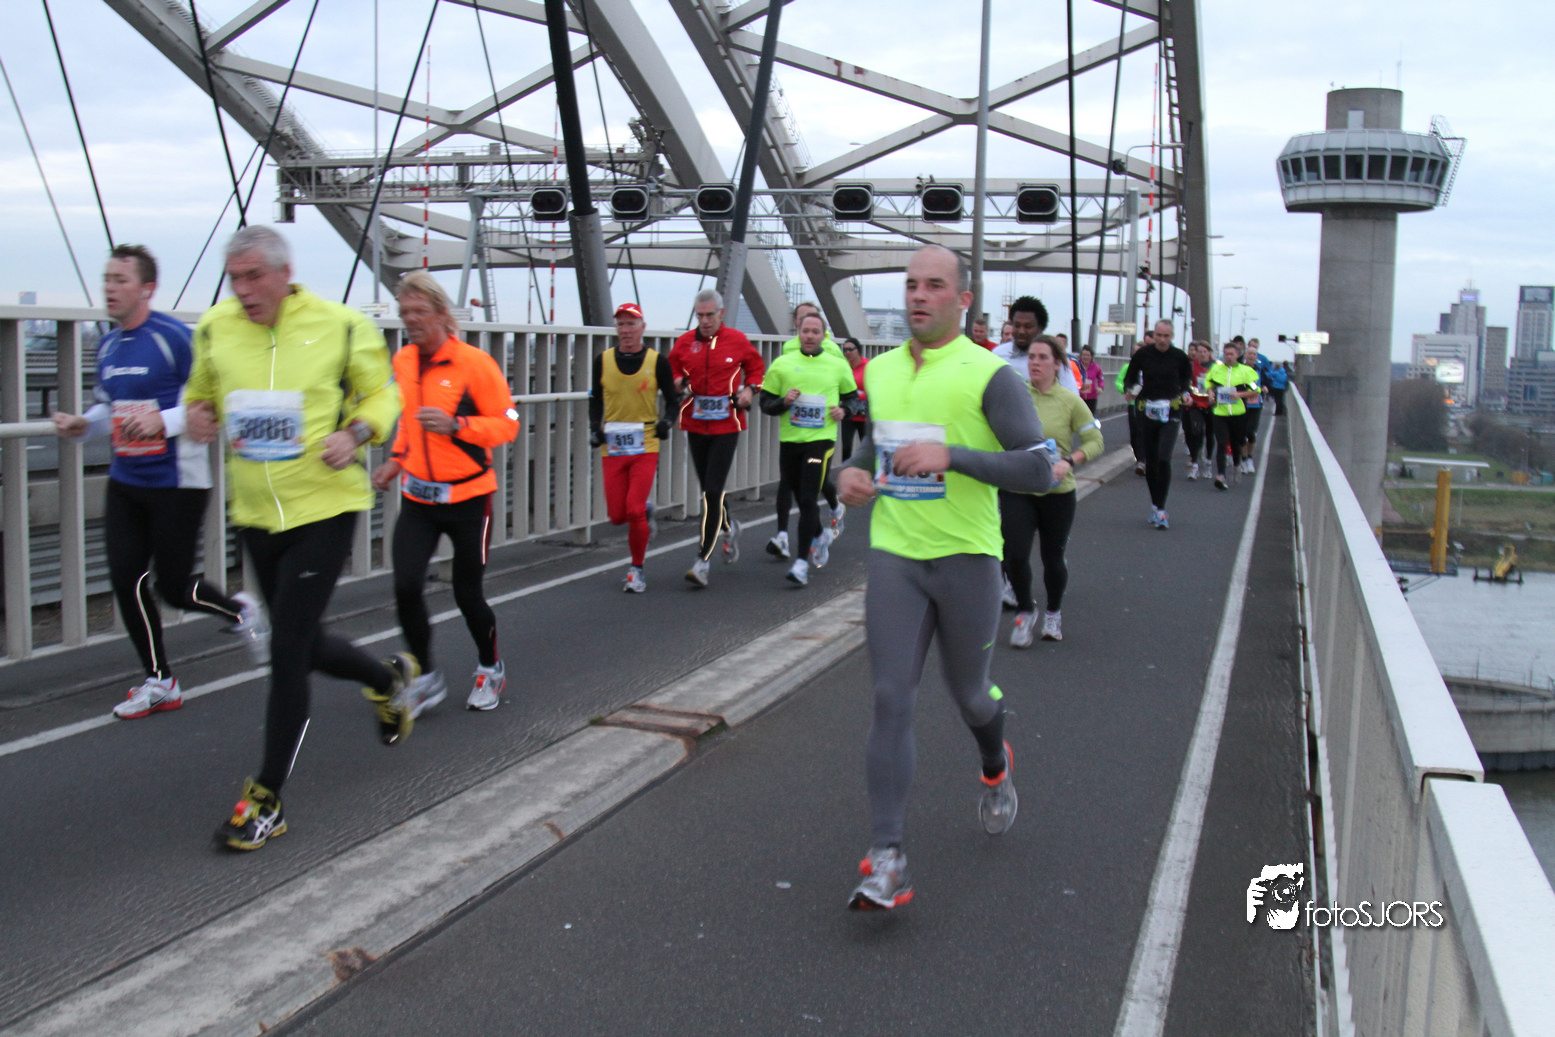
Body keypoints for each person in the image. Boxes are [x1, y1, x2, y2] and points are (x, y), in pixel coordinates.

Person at [836, 244, 1055, 910]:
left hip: (966, 559)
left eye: (934, 285)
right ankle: (888, 857)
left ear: (962, 300)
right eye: (911, 285)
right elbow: (869, 447)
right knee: (889, 697)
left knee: (971, 696)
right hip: (896, 556)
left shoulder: (989, 375)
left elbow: (1037, 468)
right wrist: (846, 475)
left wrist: (952, 456)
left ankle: (995, 762)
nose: (918, 296)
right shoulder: (878, 371)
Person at [186, 226, 413, 851]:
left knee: (287, 648)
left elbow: (384, 393)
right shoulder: (215, 328)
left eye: (253, 276)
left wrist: (356, 432)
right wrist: (199, 414)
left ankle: (266, 799)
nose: (242, 289)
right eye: (234, 278)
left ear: (285, 275)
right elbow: (201, 395)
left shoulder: (340, 325)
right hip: (256, 513)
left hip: (324, 505)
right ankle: (387, 680)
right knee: (303, 638)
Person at [51, 244, 264, 719]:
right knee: (126, 578)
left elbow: (208, 401)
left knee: (173, 588)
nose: (110, 288)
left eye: (120, 280)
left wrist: (161, 422)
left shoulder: (175, 338)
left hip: (177, 482)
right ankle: (160, 680)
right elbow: (109, 406)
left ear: (147, 288)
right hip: (126, 479)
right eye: (107, 279)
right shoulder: (108, 345)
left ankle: (240, 610)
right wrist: (83, 425)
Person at [371, 272, 519, 716]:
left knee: (467, 593)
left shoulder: (475, 364)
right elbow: (409, 423)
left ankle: (490, 666)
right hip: (419, 498)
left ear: (441, 313)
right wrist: (396, 461)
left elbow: (508, 423)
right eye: (404, 312)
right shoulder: (404, 361)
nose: (411, 320)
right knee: (405, 585)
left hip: (470, 499)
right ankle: (427, 679)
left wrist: (458, 426)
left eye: (419, 311)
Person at [1001, 335, 1102, 646]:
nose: (1035, 363)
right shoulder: (1017, 396)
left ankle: (1053, 613)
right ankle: (1024, 610)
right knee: (1013, 555)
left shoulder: (1070, 401)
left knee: (1052, 558)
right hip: (1018, 487)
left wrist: (1068, 461)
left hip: (1057, 492)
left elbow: (1095, 442)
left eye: (1042, 357)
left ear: (1057, 364)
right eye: (1031, 357)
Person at [669, 288, 765, 587]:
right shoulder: (685, 343)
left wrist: (750, 389)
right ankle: (729, 526)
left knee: (712, 492)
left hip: (727, 424)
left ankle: (702, 561)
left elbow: (757, 369)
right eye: (700, 315)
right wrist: (677, 381)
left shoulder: (736, 340)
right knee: (710, 490)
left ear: (721, 314)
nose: (705, 321)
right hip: (695, 423)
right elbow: (671, 370)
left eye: (710, 315)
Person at [758, 311, 858, 586]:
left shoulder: (837, 365)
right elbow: (765, 403)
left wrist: (844, 410)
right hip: (791, 440)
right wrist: (784, 403)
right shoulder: (782, 364)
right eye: (806, 331)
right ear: (798, 333)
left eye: (816, 332)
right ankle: (820, 535)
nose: (810, 336)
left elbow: (854, 399)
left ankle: (801, 563)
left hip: (821, 440)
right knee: (798, 495)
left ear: (824, 335)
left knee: (807, 496)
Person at [587, 302, 678, 593]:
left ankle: (636, 570)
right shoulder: (602, 360)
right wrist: (594, 427)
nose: (626, 330)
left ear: (642, 328)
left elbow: (673, 401)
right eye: (621, 324)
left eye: (631, 324)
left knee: (634, 509)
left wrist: (667, 422)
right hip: (613, 445)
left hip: (645, 443)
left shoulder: (657, 361)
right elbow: (595, 399)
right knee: (617, 516)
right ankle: (647, 511)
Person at [1122, 318, 1192, 529]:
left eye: (1166, 336)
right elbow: (1130, 378)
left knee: (1163, 458)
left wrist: (1186, 394)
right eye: (1159, 335)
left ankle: (1161, 510)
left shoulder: (1179, 357)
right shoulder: (1143, 355)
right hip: (1147, 410)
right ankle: (1155, 505)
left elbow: (1186, 381)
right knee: (1151, 461)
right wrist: (1130, 390)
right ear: (1154, 335)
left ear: (1172, 336)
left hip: (1171, 410)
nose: (1162, 340)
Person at [1204, 340, 1261, 490]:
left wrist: (1240, 394)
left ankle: (1237, 465)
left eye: (1231, 354)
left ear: (1237, 355)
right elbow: (1208, 382)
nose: (1228, 357)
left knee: (1236, 443)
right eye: (1226, 354)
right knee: (1221, 442)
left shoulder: (1246, 371)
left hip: (1238, 413)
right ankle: (1220, 475)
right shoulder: (1216, 369)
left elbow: (1256, 390)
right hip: (1220, 412)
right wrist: (1210, 393)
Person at [994, 297, 1080, 392]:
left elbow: (1071, 394)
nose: (1021, 331)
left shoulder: (1054, 357)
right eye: (1017, 326)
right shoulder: (999, 354)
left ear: (1040, 328)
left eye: (1028, 326)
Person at [1117, 330, 1152, 476]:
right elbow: (1120, 382)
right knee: (1135, 434)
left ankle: (1144, 461)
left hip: (1149, 404)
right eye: (1135, 352)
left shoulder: (1150, 366)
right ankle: (1139, 458)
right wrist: (1126, 390)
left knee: (1146, 433)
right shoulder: (1129, 367)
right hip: (1133, 403)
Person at [1182, 340, 1214, 480]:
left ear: (1209, 353)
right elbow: (1186, 383)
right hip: (1195, 403)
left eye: (1204, 352)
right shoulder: (1191, 366)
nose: (1201, 354)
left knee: (1210, 434)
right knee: (1196, 431)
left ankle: (1208, 461)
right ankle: (1194, 464)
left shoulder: (1216, 366)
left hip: (1211, 404)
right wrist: (1187, 394)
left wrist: (1214, 393)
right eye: (1199, 351)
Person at [1240, 338, 1273, 473]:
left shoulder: (1260, 369)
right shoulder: (1239, 369)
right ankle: (1243, 459)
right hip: (1241, 404)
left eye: (1254, 354)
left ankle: (1249, 458)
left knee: (1251, 433)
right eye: (1249, 353)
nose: (1252, 356)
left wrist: (1265, 388)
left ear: (1256, 356)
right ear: (1245, 355)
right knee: (1241, 433)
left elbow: (1267, 382)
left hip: (1255, 405)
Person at [779, 300, 846, 360]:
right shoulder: (788, 347)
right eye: (803, 318)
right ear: (795, 321)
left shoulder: (833, 349)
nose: (808, 321)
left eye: (813, 317)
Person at [839, 337, 869, 460]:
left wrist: (856, 396)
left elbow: (873, 389)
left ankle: (866, 470)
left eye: (851, 349)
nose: (848, 352)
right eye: (845, 350)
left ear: (858, 350)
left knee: (865, 446)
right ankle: (845, 469)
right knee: (846, 446)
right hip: (849, 412)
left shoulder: (868, 366)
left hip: (864, 413)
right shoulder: (844, 367)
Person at [1076, 345, 1103, 415]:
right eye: (1084, 355)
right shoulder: (1076, 366)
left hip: (1092, 397)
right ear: (1081, 355)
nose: (1085, 357)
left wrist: (1100, 388)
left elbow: (1101, 379)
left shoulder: (1096, 367)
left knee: (1090, 417)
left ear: (1091, 356)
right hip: (1079, 397)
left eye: (1088, 355)